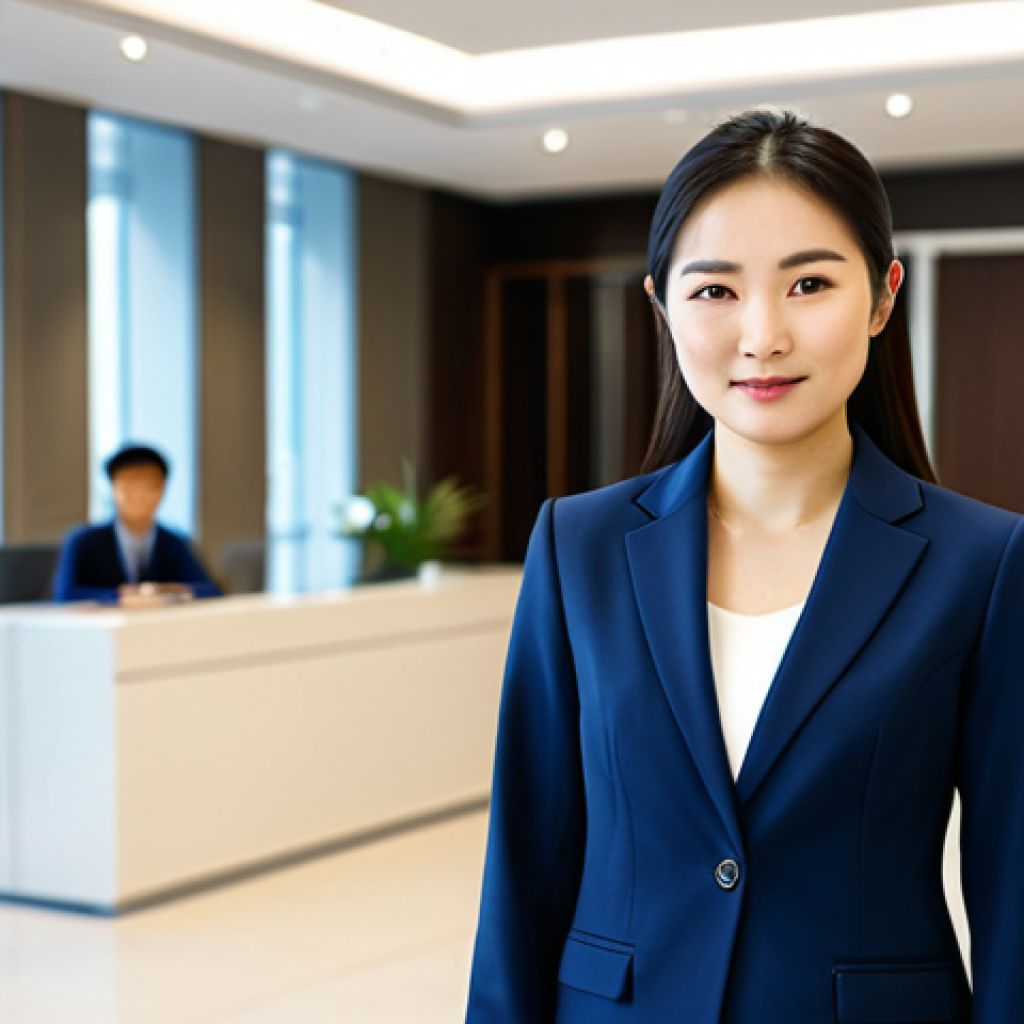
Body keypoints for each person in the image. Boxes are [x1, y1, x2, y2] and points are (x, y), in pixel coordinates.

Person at [465, 110, 1024, 1023]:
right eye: (715, 292)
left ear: (883, 297)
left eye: (808, 283)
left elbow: (1015, 891)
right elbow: (524, 863)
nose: (761, 336)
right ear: (660, 304)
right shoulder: (579, 545)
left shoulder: (984, 564)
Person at [53, 443, 221, 602]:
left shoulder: (173, 543)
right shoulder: (84, 541)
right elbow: (65, 594)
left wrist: (171, 591)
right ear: (113, 488)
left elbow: (211, 590)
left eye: (150, 486)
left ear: (162, 489)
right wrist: (122, 596)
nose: (139, 496)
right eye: (130, 486)